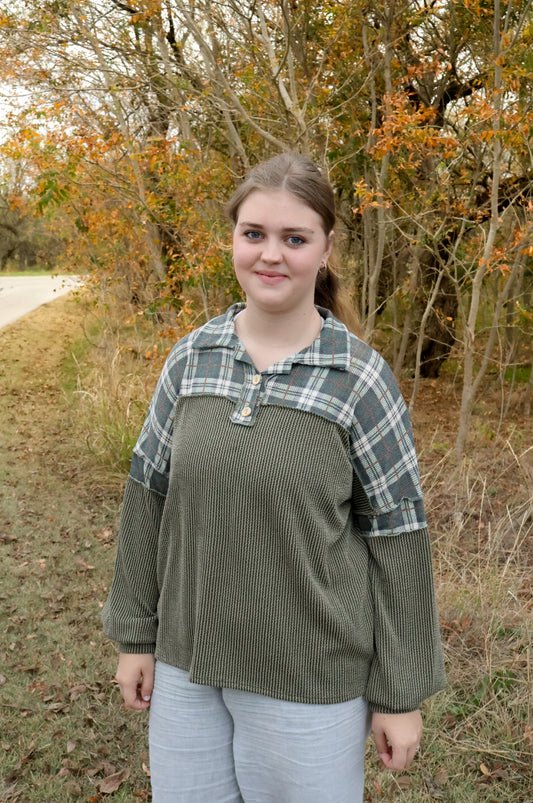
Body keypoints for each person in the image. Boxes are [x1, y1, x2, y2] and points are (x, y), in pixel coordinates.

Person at [102, 152, 446, 802]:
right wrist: (135, 635)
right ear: (232, 237)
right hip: (186, 667)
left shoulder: (358, 378)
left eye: (294, 238)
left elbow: (399, 537)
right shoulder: (192, 357)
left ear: (325, 248)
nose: (271, 255)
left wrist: (398, 695)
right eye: (254, 233)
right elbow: (148, 495)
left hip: (309, 687)